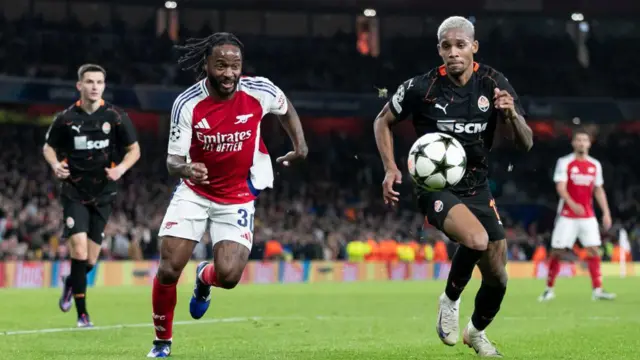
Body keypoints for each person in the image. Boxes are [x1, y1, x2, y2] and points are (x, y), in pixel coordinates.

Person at [373, 16, 533, 357]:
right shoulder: (422, 87)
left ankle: (476, 332)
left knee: (498, 276)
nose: (453, 52)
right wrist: (390, 168)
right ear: (439, 50)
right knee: (475, 239)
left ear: (473, 47)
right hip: (434, 185)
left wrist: (511, 115)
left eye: (461, 45)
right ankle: (450, 298)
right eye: (446, 46)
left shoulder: (493, 83)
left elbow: (527, 143)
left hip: (477, 186)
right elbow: (382, 121)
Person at [147, 32, 308, 358]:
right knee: (168, 268)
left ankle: (204, 278)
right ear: (207, 65)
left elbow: (285, 106)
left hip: (237, 194)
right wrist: (186, 170)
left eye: (235, 66)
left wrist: (300, 145)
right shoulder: (188, 103)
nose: (229, 73)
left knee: (230, 276)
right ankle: (162, 342)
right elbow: (172, 161)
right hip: (194, 192)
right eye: (221, 65)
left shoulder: (258, 90)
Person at [43, 64, 140, 327]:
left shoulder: (116, 117)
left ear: (104, 86)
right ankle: (82, 315)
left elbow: (134, 150)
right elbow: (48, 147)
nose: (94, 86)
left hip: (104, 194)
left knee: (91, 259)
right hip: (74, 192)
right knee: (79, 250)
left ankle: (70, 281)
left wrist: (121, 168)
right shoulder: (66, 119)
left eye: (99, 82)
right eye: (89, 81)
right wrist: (54, 164)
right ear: (79, 86)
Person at [539, 129, 615, 302]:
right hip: (567, 215)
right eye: (578, 140)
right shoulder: (564, 162)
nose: (581, 143)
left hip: (587, 215)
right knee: (558, 251)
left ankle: (598, 290)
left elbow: (598, 189)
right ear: (573, 143)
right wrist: (573, 204)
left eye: (584, 140)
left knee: (594, 249)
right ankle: (548, 289)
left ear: (589, 143)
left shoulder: (595, 164)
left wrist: (606, 212)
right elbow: (560, 187)